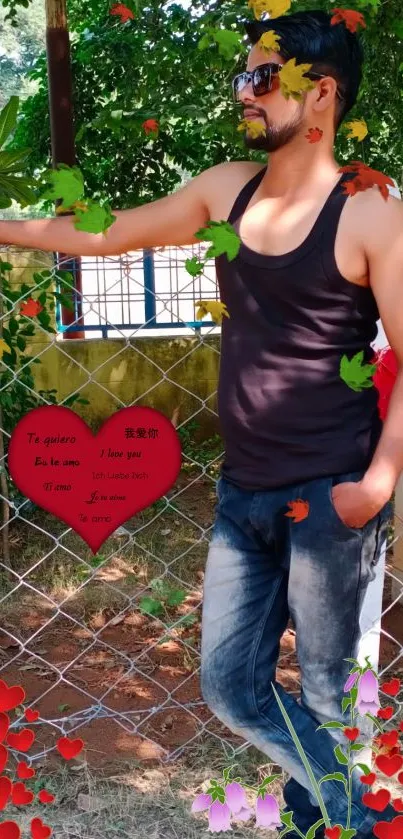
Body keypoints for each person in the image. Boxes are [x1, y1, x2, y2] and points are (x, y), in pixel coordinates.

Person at [1, 9, 402, 837]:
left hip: (334, 491)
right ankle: (341, 805)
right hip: (243, 490)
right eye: (241, 76)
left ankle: (325, 815)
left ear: (318, 94)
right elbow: (105, 233)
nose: (242, 94)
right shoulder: (227, 188)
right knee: (228, 684)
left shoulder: (370, 211)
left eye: (261, 78)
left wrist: (377, 481)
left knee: (327, 685)